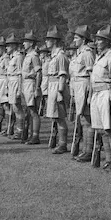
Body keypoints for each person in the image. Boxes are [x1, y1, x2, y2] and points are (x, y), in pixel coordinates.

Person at [89, 25, 111, 170]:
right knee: (101, 129)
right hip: (96, 94)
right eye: (96, 40)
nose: (96, 43)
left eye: (100, 40)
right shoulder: (98, 57)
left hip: (106, 94)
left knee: (109, 129)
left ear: (107, 42)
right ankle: (107, 160)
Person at [69, 25, 95, 161]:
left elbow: (92, 75)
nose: (74, 40)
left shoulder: (87, 53)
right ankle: (84, 149)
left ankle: (88, 150)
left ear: (83, 39)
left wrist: (91, 93)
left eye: (76, 37)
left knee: (87, 120)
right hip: (77, 85)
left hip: (85, 85)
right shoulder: (78, 53)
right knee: (82, 119)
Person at [44, 26, 69, 154]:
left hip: (57, 88)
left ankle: (63, 144)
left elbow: (63, 75)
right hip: (52, 86)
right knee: (55, 116)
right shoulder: (53, 55)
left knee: (60, 117)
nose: (46, 42)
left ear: (54, 41)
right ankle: (59, 142)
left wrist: (60, 92)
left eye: (48, 40)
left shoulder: (60, 56)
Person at [20, 30, 42, 144]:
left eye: (26, 42)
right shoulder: (27, 55)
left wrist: (37, 88)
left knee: (33, 111)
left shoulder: (34, 56)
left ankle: (35, 136)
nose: (24, 44)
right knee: (27, 110)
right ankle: (28, 133)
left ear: (31, 43)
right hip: (25, 84)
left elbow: (38, 72)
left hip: (31, 84)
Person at [5, 33, 24, 141]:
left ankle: (20, 131)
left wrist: (19, 91)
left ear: (13, 46)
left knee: (18, 108)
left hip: (16, 83)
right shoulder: (12, 57)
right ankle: (17, 130)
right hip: (11, 83)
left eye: (8, 45)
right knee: (14, 107)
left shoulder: (19, 57)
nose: (6, 48)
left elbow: (20, 74)